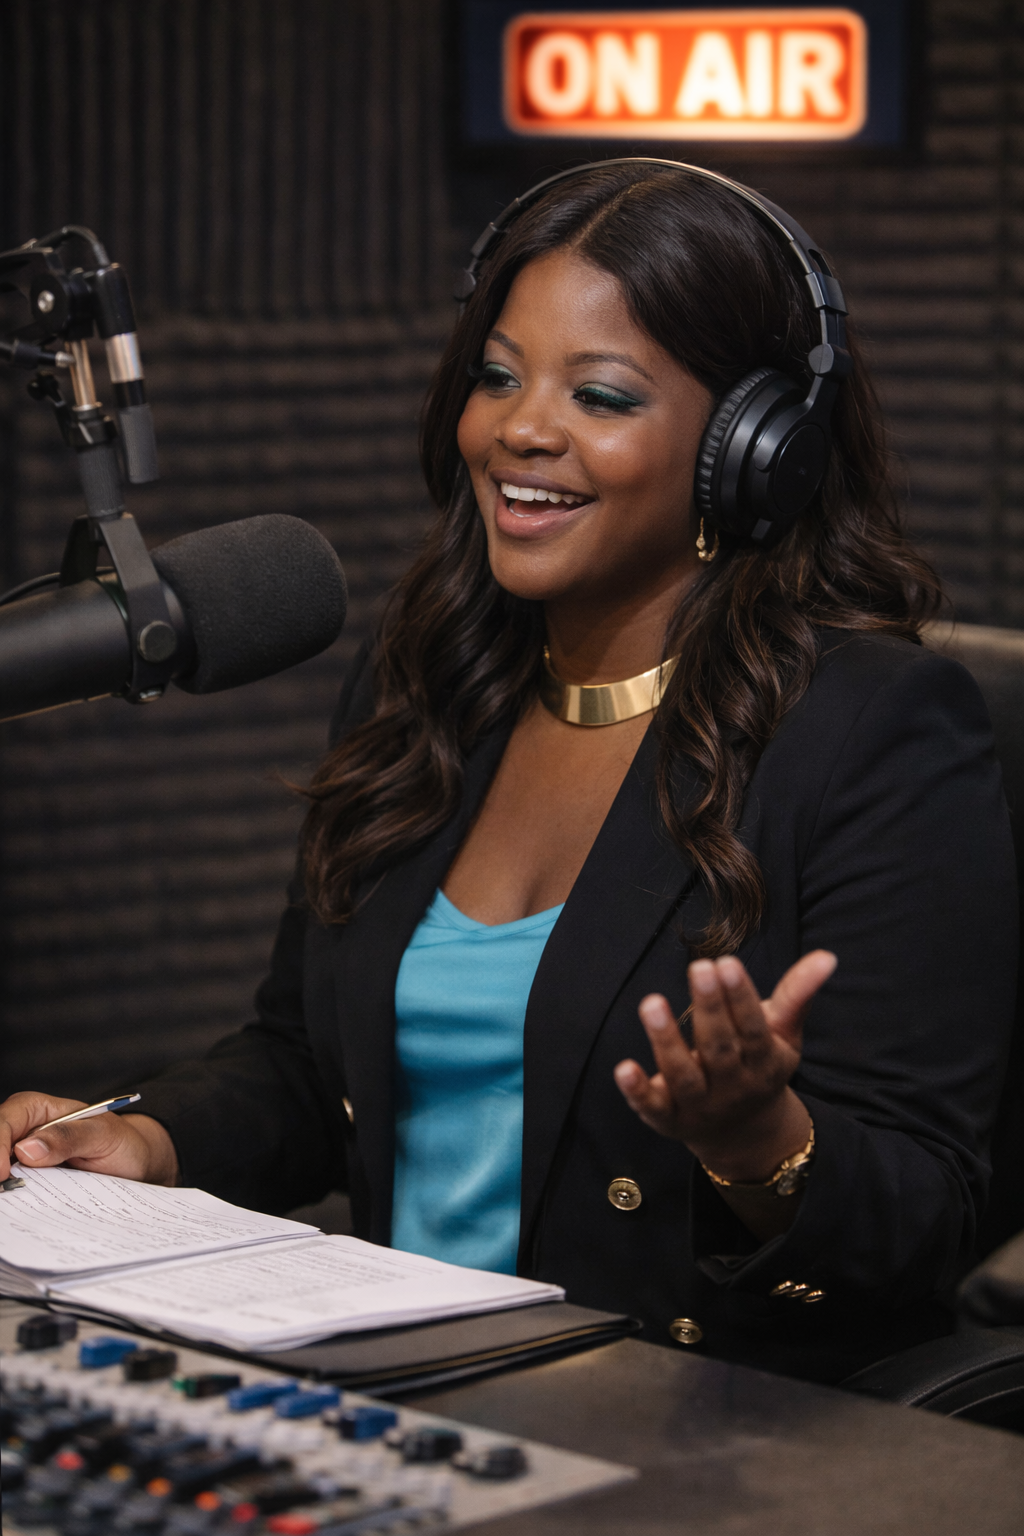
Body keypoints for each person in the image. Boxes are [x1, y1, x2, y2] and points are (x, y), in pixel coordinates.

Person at [0, 161, 1016, 1385]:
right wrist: (148, 1136)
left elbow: (925, 1217)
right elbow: (309, 1062)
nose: (519, 429)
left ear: (753, 449)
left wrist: (761, 1143)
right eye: (496, 375)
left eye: (598, 393)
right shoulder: (427, 676)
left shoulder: (874, 733)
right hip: (393, 1379)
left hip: (688, 1427)